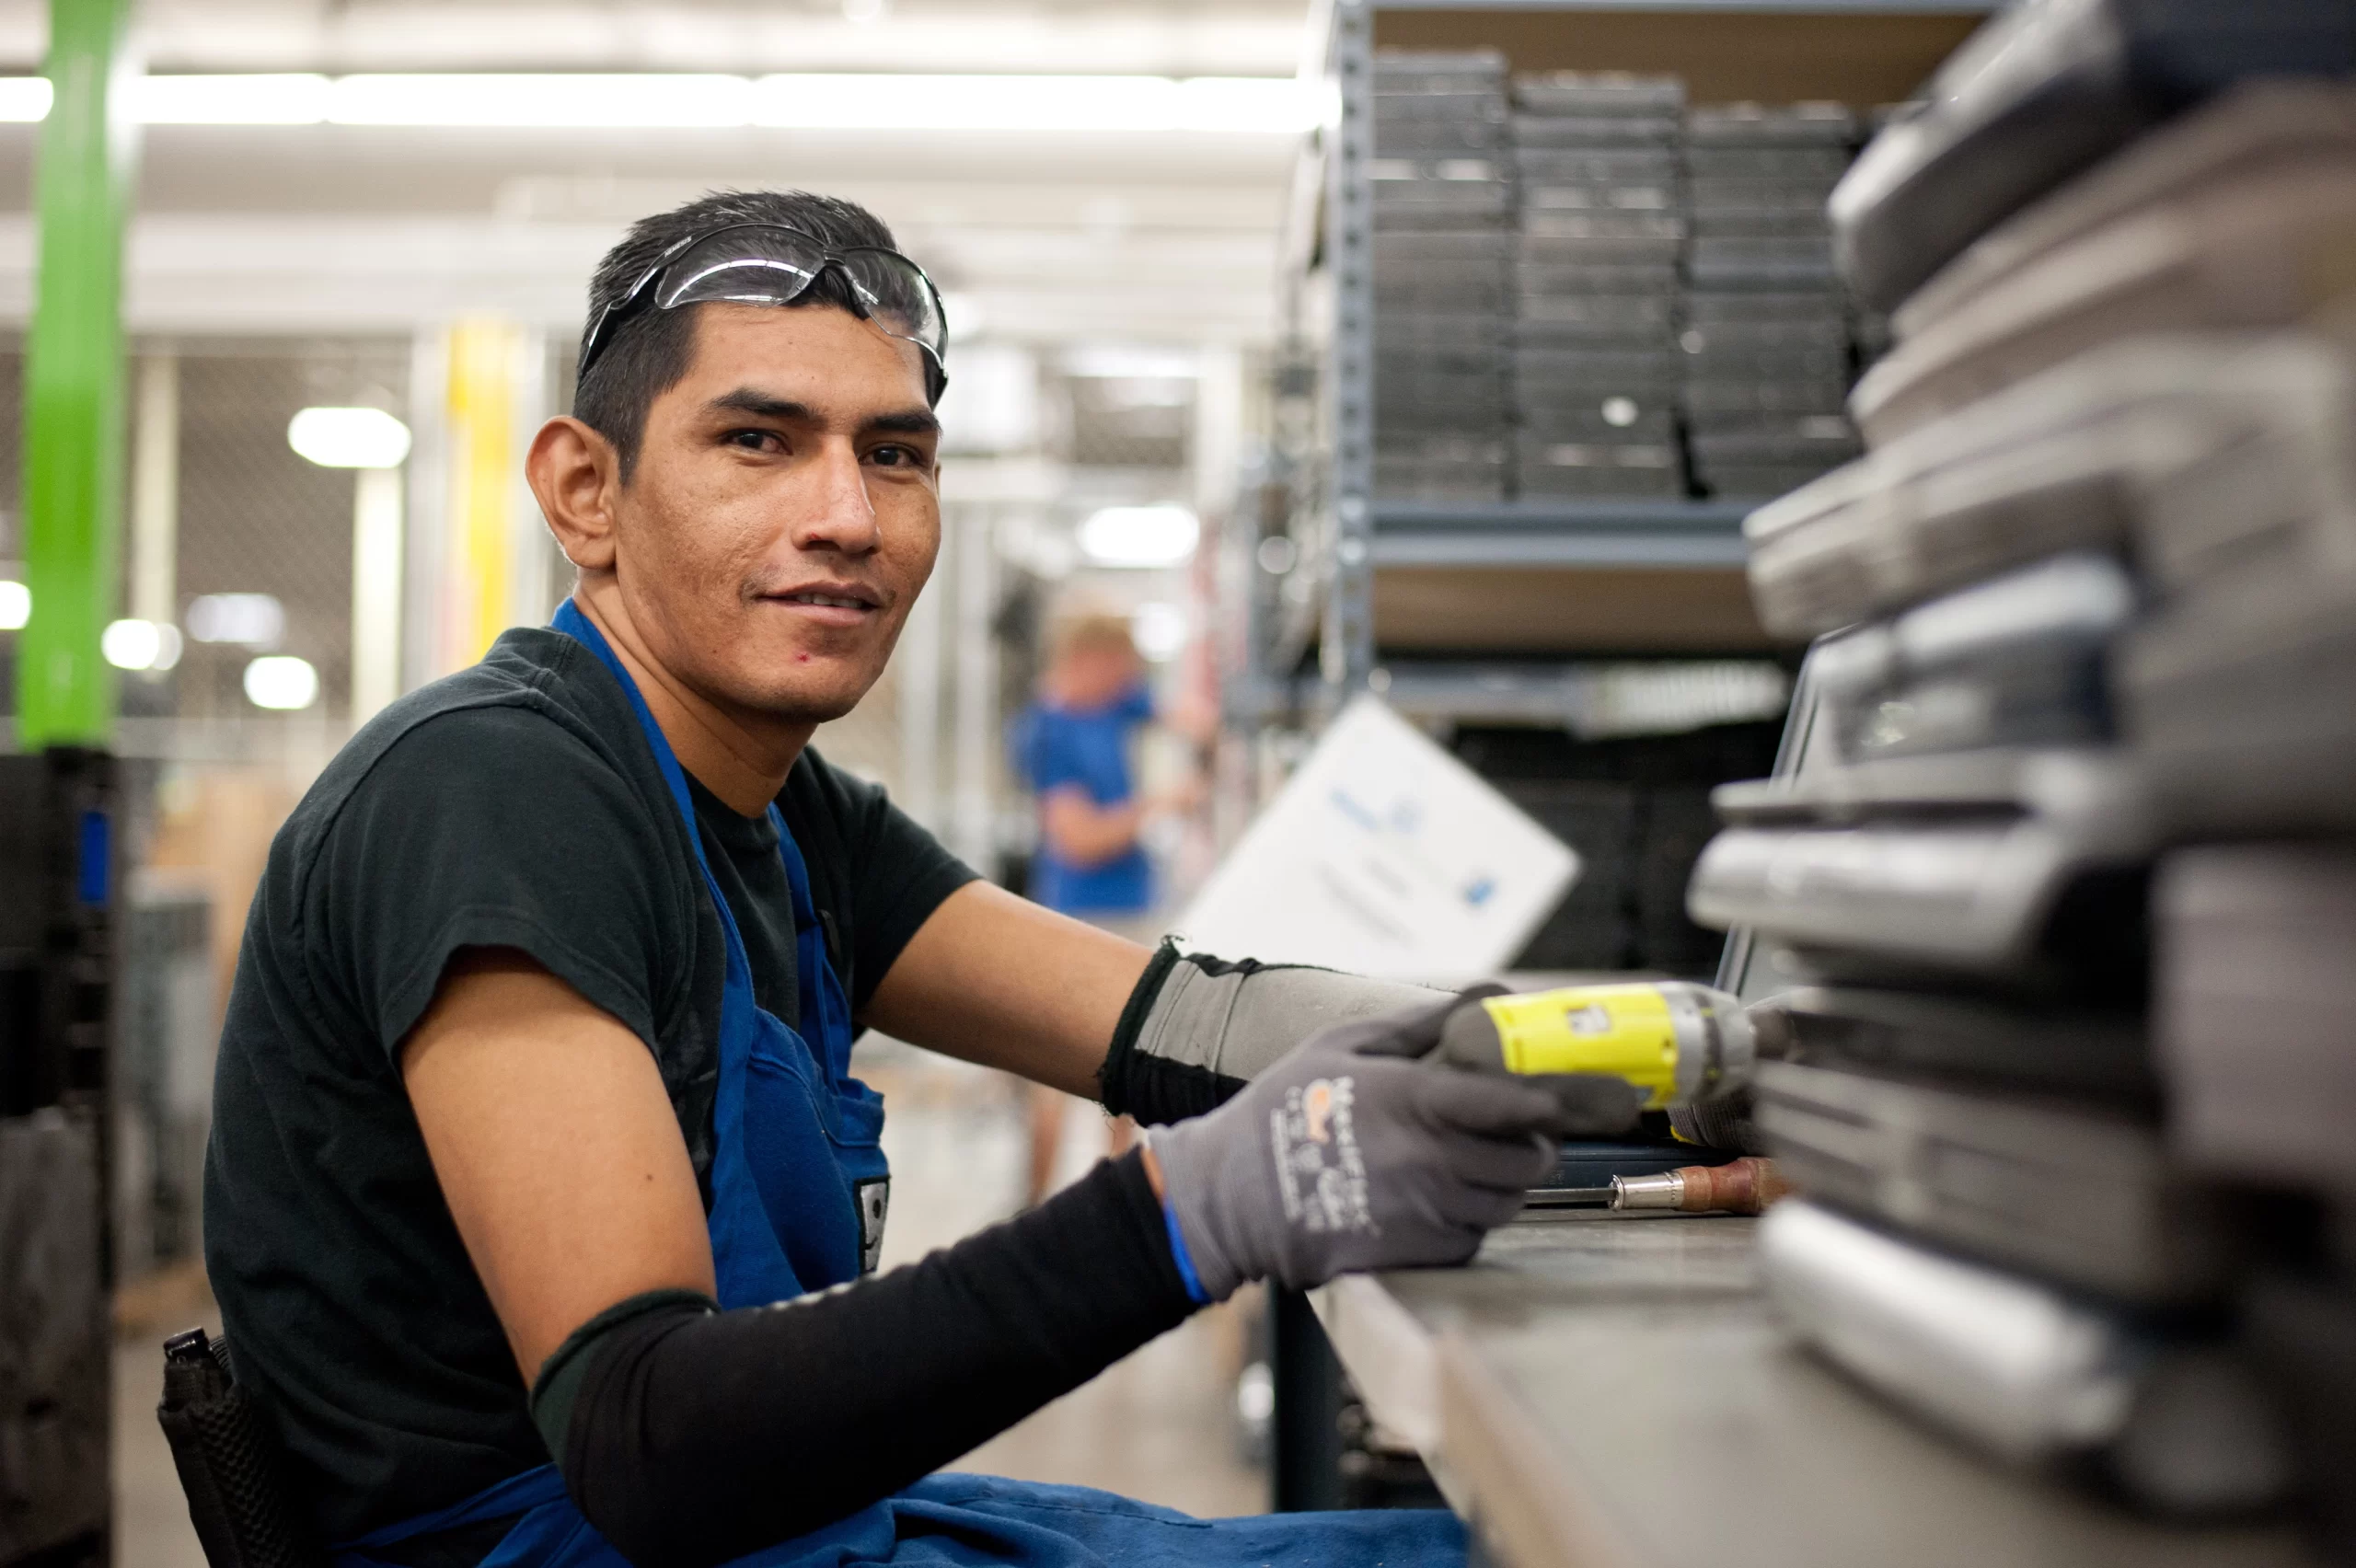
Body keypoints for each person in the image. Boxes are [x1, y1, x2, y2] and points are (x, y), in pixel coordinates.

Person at [203, 190, 1645, 1568]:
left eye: (895, 454)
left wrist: (1631, 1059)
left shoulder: (790, 811)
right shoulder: (494, 793)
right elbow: (647, 1441)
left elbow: (1181, 1024)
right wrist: (1206, 1209)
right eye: (759, 441)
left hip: (789, 1524)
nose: (849, 515)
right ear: (587, 490)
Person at [1014, 611, 1166, 1204]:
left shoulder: (1114, 707)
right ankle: (1032, 1211)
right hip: (1079, 916)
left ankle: (1115, 1210)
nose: (1129, 681)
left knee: (1127, 1071)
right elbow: (1078, 840)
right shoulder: (1049, 732)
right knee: (1054, 1075)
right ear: (1087, 661)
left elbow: (1181, 716)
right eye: (1119, 668)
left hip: (1129, 913)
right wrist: (1160, 805)